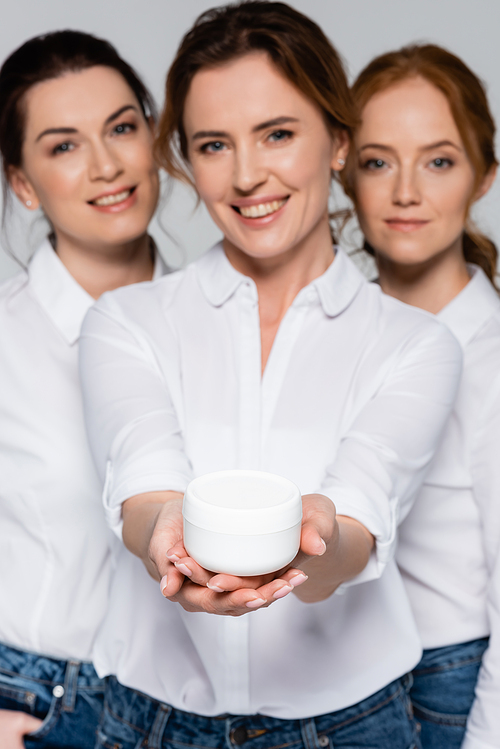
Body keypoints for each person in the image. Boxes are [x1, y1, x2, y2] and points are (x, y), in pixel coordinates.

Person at [79, 4, 462, 748]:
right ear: (188, 159)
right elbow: (143, 479)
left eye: (278, 134)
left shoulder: (416, 343)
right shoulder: (125, 321)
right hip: (148, 721)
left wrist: (313, 549)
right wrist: (167, 537)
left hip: (353, 724)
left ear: (339, 142)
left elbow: (359, 511)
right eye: (214, 144)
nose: (248, 174)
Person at [0, 30, 164, 749]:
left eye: (122, 128)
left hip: (192, 714)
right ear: (24, 184)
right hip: (40, 704)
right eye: (64, 145)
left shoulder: (236, 321)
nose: (106, 165)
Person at [341, 43, 499, 749]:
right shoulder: (324, 328)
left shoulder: (489, 355)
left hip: (446, 687)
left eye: (439, 160)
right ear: (343, 171)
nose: (406, 190)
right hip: (337, 682)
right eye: (379, 161)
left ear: (484, 176)